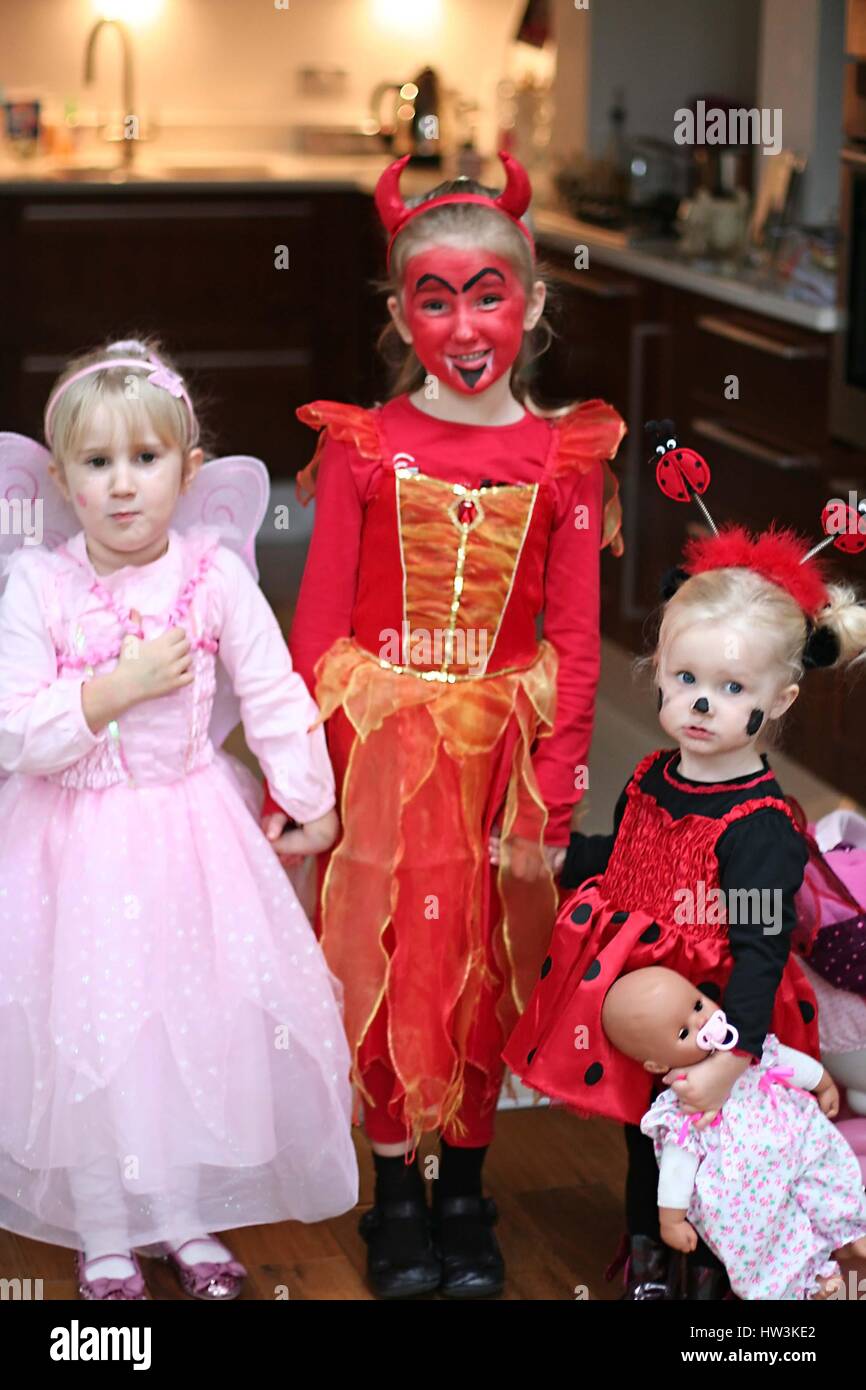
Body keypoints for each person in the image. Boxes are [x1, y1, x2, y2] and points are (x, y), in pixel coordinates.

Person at [260, 151, 626, 1298]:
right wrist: (303, 793)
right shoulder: (363, 446)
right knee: (382, 963)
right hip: (378, 759)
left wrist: (554, 796)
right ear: (398, 312)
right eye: (435, 297)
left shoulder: (565, 457)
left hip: (501, 769)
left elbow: (571, 644)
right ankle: (394, 1197)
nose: (464, 325)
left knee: (483, 973)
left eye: (488, 294)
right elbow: (314, 638)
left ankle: (463, 1189)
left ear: (533, 302)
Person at [0, 338, 358, 1301]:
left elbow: (277, 693)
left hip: (193, 836)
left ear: (187, 472)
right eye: (97, 463)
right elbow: (11, 730)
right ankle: (106, 1227)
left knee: (193, 1023)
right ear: (63, 479)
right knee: (96, 1033)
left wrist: (313, 805)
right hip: (70, 848)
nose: (123, 486)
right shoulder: (39, 587)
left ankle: (181, 1210)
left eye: (146, 460)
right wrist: (111, 690)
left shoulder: (214, 579)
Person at [504, 478, 866, 1300]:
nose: (703, 702)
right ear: (659, 674)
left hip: (719, 1010)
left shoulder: (760, 827)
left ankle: (713, 1270)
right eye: (686, 678)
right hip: (644, 998)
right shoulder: (650, 774)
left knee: (721, 1147)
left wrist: (733, 1059)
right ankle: (649, 1256)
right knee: (648, 1132)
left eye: (734, 689)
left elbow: (762, 948)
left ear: (781, 699)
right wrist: (558, 854)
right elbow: (628, 852)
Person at [603, 967, 866, 1300]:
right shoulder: (683, 1112)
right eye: (683, 1032)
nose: (700, 1023)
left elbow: (784, 1061)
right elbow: (676, 1167)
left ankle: (850, 1232)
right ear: (656, 1065)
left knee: (830, 1176)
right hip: (750, 1193)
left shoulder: (742, 1050)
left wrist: (823, 1083)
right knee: (765, 1242)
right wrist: (671, 1219)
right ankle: (805, 1281)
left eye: (698, 1006)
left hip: (800, 1148)